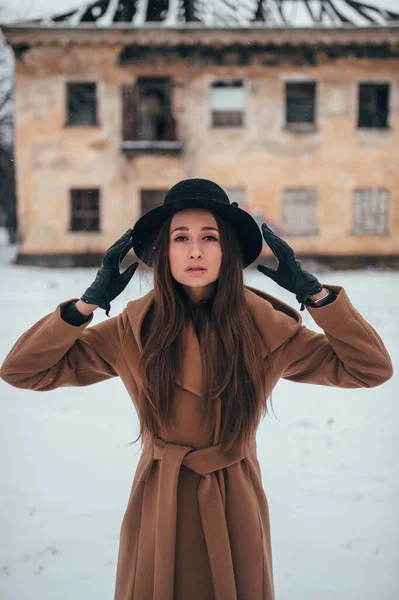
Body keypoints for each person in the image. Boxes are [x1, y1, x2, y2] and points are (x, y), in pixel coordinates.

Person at [0, 178, 393, 600]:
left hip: (234, 501)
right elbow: (23, 371)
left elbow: (370, 369)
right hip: (160, 500)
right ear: (163, 252)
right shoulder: (132, 331)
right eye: (180, 238)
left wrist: (315, 296)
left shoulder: (267, 328)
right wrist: (85, 306)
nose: (194, 251)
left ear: (228, 250)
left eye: (209, 237)